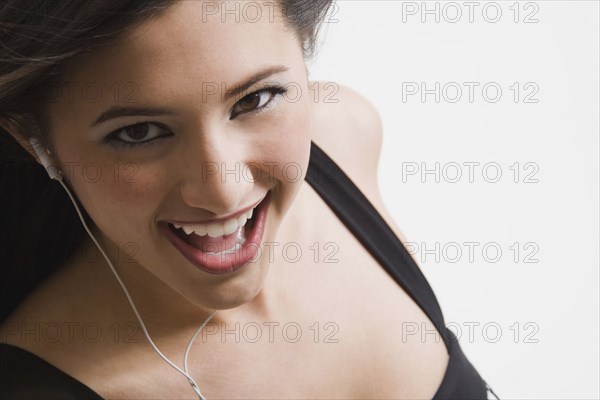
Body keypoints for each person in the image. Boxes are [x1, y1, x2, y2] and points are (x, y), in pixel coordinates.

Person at [0, 1, 499, 398]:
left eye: (255, 100)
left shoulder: (345, 135)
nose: (223, 190)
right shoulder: (38, 384)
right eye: (139, 132)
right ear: (35, 141)